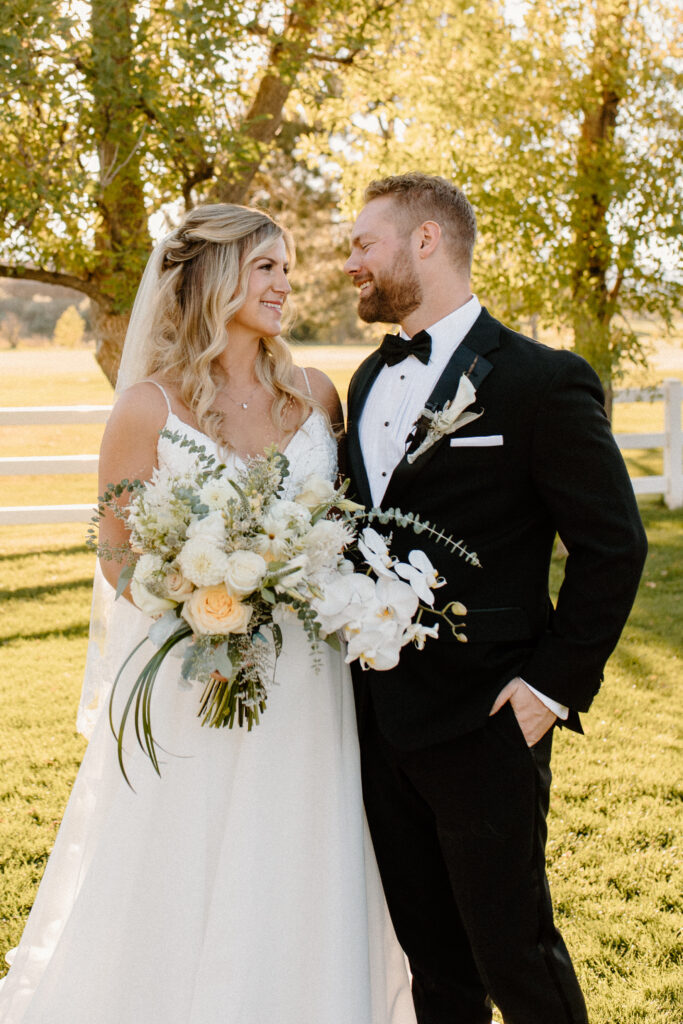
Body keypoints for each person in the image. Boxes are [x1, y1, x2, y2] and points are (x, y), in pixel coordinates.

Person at [0, 204, 417, 1024]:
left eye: (286, 268)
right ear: (209, 278)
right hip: (192, 677)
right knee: (179, 860)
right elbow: (115, 549)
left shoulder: (316, 395)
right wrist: (202, 606)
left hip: (303, 678)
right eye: (266, 267)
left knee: (298, 847)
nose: (285, 284)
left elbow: (341, 526)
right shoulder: (146, 410)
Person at [344, 172, 648, 1024]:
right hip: (379, 722)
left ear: (426, 241)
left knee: (512, 951)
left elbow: (613, 545)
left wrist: (549, 688)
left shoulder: (542, 382)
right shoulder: (367, 382)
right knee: (434, 966)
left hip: (488, 718)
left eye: (364, 242)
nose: (350, 261)